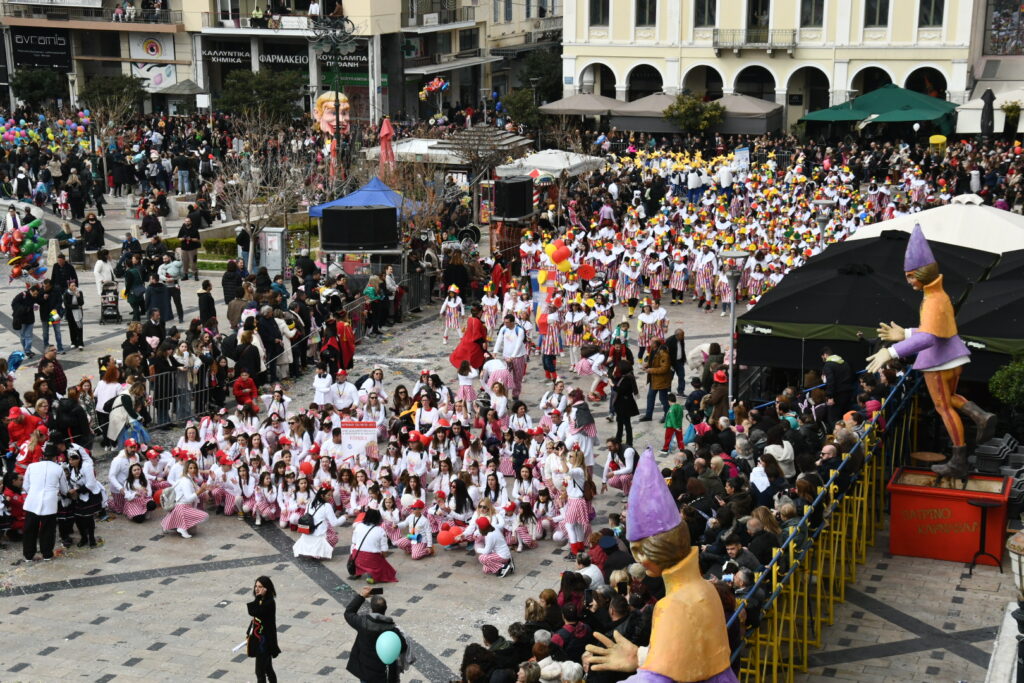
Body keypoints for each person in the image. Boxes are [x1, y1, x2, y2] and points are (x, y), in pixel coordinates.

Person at [344, 584, 409, 683]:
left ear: (371, 608)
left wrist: (361, 596)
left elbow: (349, 612)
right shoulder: (393, 631)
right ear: (386, 608)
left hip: (365, 672)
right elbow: (403, 647)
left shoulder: (362, 623)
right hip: (384, 675)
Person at [21, 447, 68, 562]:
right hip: (50, 503)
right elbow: (64, 489)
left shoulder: (31, 466)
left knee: (30, 530)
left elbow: (26, 486)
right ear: (55, 457)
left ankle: (28, 556)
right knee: (48, 530)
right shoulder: (59, 469)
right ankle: (47, 555)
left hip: (32, 503)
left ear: (43, 456)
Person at [246, 576, 281, 683]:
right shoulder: (262, 600)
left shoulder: (269, 603)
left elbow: (253, 611)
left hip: (264, 642)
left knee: (260, 672)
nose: (257, 589)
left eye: (260, 587)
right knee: (268, 669)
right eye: (256, 586)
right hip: (260, 639)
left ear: (266, 588)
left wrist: (258, 598)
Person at [638, 340, 671, 423]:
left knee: (663, 398)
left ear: (655, 344)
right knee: (650, 397)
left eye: (651, 342)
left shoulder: (664, 354)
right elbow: (653, 361)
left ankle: (668, 415)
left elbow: (664, 368)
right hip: (654, 380)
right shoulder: (653, 350)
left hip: (662, 380)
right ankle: (648, 415)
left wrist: (651, 370)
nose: (649, 343)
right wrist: (647, 365)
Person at [11, 285, 41, 357]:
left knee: (28, 336)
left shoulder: (35, 297)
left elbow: (39, 301)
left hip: (30, 319)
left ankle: (27, 350)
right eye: (35, 293)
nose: (36, 295)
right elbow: (13, 304)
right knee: (23, 336)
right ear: (31, 291)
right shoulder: (22, 295)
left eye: (37, 294)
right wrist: (26, 309)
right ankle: (26, 350)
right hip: (21, 320)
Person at [62, 281, 85, 350]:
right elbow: (67, 305)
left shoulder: (79, 292)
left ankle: (80, 343)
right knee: (71, 328)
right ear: (69, 286)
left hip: (78, 313)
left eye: (74, 285)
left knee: (79, 327)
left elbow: (81, 303)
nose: (74, 287)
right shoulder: (66, 294)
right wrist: (76, 307)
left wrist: (77, 296)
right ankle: (73, 342)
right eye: (72, 286)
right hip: (70, 313)